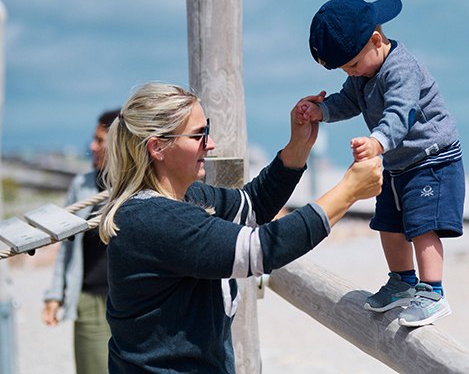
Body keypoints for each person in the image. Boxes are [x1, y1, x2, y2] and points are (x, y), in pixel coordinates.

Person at [97, 83, 382, 373]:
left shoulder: (184, 198)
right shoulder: (153, 218)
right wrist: (348, 191)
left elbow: (253, 205)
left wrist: (298, 147)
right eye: (199, 135)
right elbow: (260, 249)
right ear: (157, 147)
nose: (210, 144)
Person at [298, 0, 465, 327]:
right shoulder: (364, 72)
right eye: (345, 69)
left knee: (422, 227)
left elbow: (400, 113)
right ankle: (402, 281)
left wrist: (376, 142)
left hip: (432, 160)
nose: (351, 73)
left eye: (353, 66)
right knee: (388, 224)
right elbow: (349, 100)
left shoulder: (402, 69)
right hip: (398, 164)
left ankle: (433, 292)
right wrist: (323, 110)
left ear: (376, 41)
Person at [42, 108, 120, 374]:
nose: (92, 146)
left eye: (99, 141)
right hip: (90, 301)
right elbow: (66, 245)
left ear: (119, 144)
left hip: (133, 304)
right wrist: (55, 295)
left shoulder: (138, 186)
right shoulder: (82, 186)